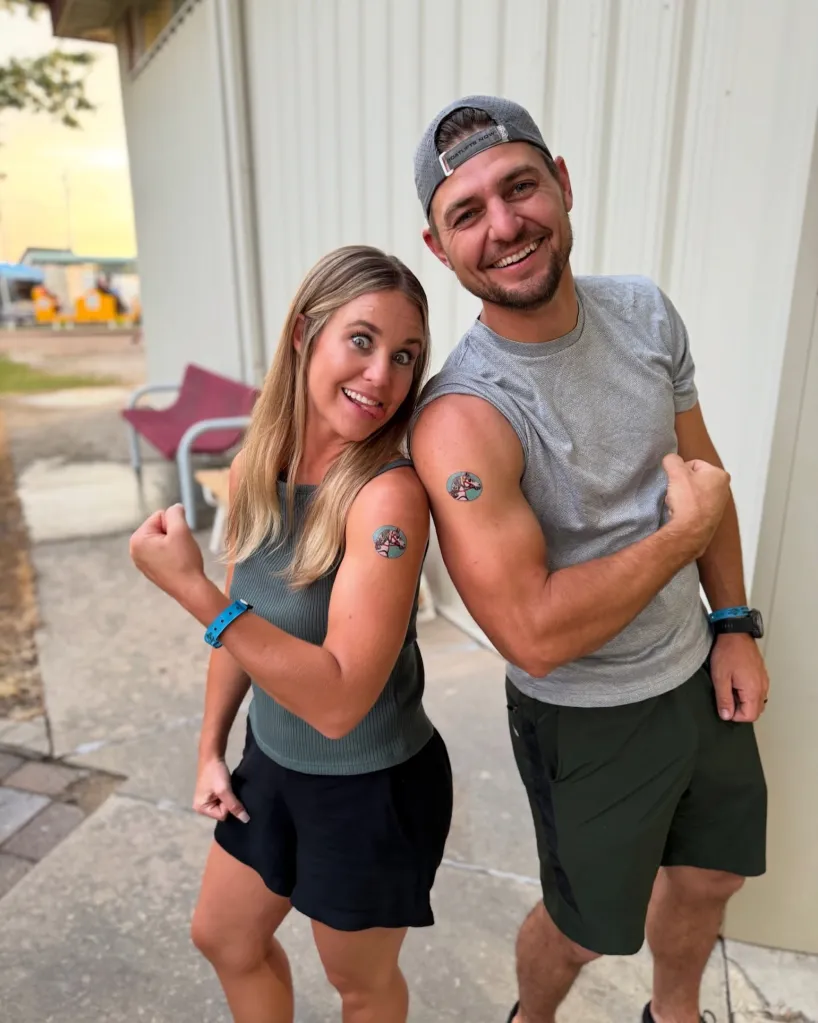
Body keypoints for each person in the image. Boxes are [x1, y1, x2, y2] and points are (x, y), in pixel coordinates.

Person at [409, 96, 768, 1023]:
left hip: (696, 666)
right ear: (439, 248)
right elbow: (532, 635)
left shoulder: (643, 311)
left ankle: (675, 1014)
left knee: (712, 872)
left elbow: (704, 475)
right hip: (587, 717)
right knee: (584, 928)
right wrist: (679, 539)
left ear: (562, 184)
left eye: (520, 187)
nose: (504, 225)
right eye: (467, 213)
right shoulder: (462, 417)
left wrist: (733, 623)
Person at [129, 245, 453, 1023]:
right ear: (306, 333)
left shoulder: (387, 498)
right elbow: (247, 625)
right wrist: (211, 747)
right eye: (362, 339)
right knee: (225, 936)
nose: (382, 374)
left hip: (368, 786)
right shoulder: (256, 465)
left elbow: (339, 702)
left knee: (360, 986)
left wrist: (193, 590)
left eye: (405, 355)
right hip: (271, 761)